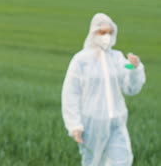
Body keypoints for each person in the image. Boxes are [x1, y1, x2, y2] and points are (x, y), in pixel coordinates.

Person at [62, 13, 146, 166]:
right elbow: (71, 93)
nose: (107, 36)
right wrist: (74, 125)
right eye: (102, 32)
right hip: (92, 123)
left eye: (110, 32)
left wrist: (134, 67)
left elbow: (128, 77)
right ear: (94, 33)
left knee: (122, 160)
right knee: (93, 162)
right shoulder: (81, 61)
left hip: (116, 122)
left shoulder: (117, 58)